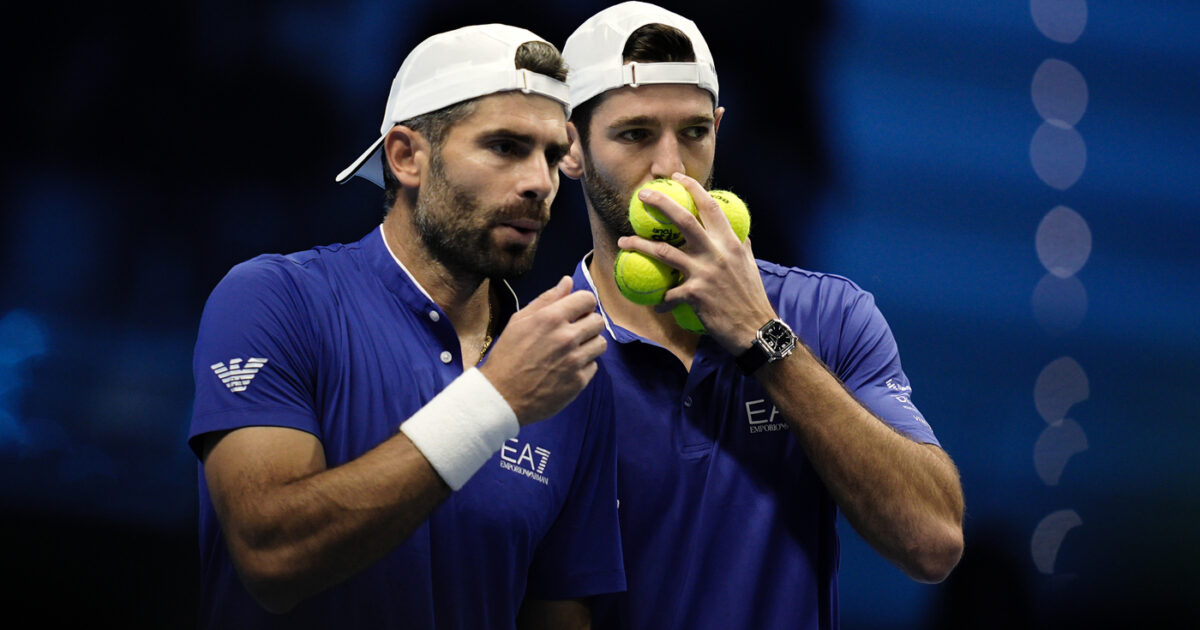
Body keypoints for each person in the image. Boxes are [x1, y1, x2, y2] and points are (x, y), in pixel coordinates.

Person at [188, 24, 624, 629]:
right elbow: (272, 555)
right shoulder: (273, 298)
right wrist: (494, 400)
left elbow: (559, 615)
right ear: (405, 156)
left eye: (553, 156)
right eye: (504, 146)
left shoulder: (568, 371)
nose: (540, 182)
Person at [557, 3, 966, 628]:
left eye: (694, 132)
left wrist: (760, 336)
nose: (671, 166)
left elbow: (933, 541)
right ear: (571, 149)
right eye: (635, 134)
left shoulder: (829, 315)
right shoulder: (533, 352)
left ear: (720, 128)